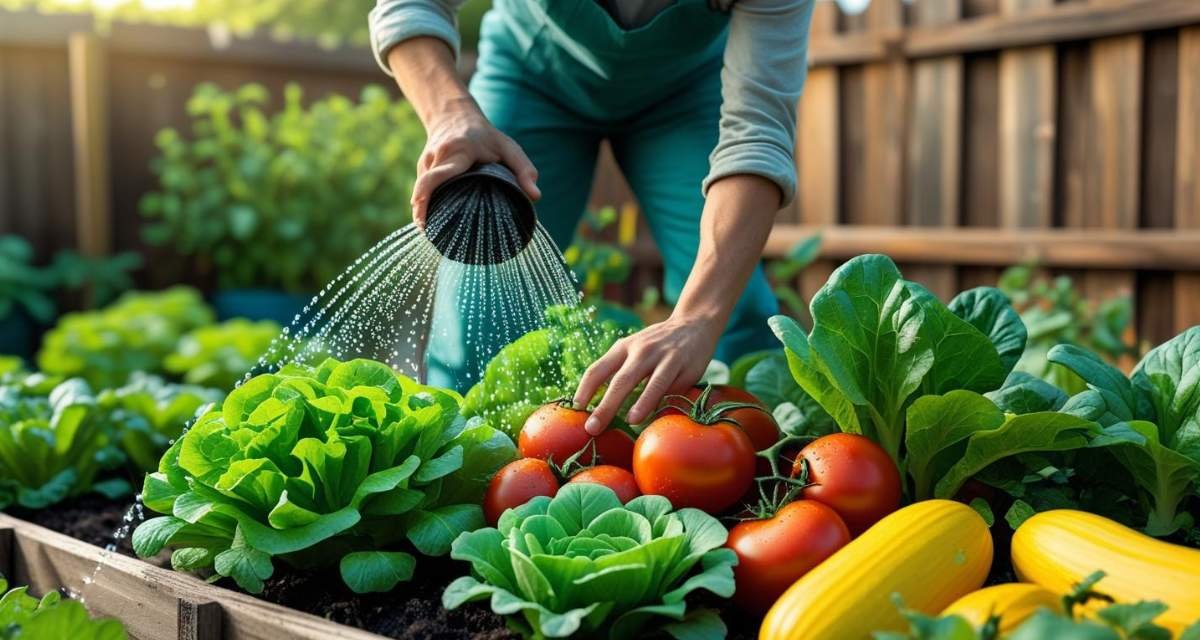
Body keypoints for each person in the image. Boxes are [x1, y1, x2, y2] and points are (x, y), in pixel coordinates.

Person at [370, 0, 814, 435]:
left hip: (685, 95)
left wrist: (697, 319)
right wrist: (450, 116)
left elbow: (757, 137)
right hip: (532, 74)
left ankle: (746, 476)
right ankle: (460, 475)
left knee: (732, 313)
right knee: (476, 313)